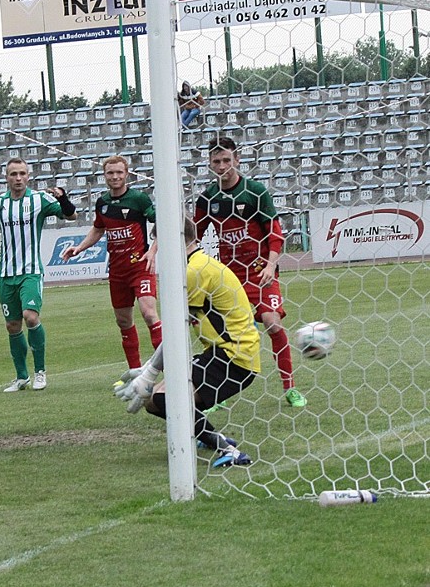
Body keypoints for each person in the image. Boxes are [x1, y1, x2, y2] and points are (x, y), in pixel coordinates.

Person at [115, 217, 258, 468]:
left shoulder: (195, 271)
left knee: (163, 398)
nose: (156, 250)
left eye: (158, 243)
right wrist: (150, 370)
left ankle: (229, 451)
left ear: (172, 240)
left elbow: (175, 332)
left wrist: (150, 372)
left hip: (234, 357)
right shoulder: (197, 264)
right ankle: (207, 435)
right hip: (220, 354)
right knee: (153, 399)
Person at [194, 136, 306, 407]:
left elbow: (275, 234)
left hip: (260, 273)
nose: (222, 166)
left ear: (237, 160)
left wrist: (270, 264)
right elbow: (194, 236)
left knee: (273, 323)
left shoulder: (255, 192)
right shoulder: (208, 198)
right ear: (210, 164)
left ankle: (290, 388)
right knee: (219, 337)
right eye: (216, 161)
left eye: (226, 160)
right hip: (229, 279)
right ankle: (217, 390)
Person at [0, 158, 77, 392]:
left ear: (28, 176)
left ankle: (40, 372)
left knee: (30, 317)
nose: (18, 178)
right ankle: (21, 377)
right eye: (13, 174)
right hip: (6, 274)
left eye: (22, 174)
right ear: (6, 178)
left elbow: (71, 216)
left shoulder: (38, 199)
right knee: (12, 325)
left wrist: (63, 197)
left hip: (30, 271)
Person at [62, 155, 163, 382]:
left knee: (148, 312)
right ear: (104, 175)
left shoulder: (138, 199)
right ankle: (136, 373)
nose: (115, 176)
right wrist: (79, 248)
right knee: (123, 321)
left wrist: (153, 251)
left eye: (119, 172)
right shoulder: (103, 203)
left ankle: (169, 367)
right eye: (110, 173)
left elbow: (162, 222)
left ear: (127, 173)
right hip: (117, 271)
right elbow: (98, 229)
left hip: (140, 267)